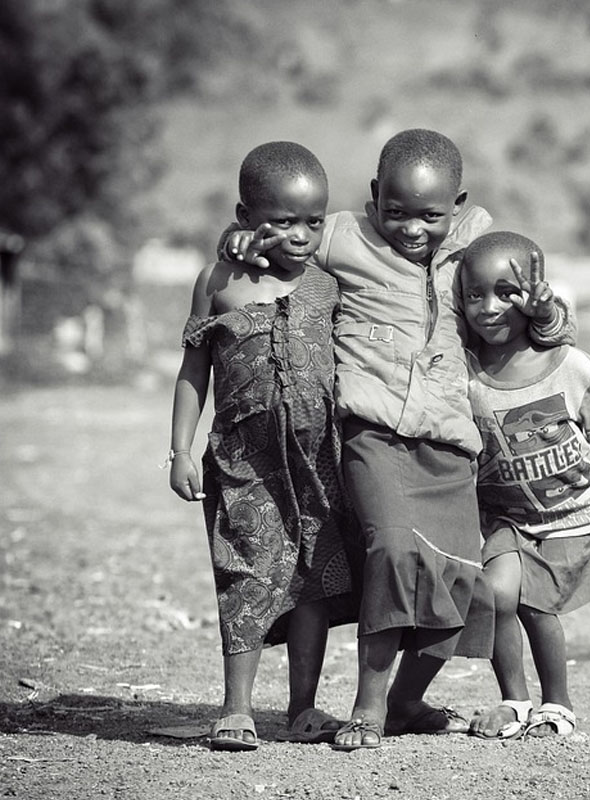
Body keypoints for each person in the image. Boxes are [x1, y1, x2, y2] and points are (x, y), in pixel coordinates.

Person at [220, 129, 577, 750]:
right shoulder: (340, 235)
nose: (412, 228)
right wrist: (237, 243)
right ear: (374, 196)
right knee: (390, 551)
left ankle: (407, 699)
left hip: (450, 443)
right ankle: (369, 707)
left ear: (458, 205)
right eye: (397, 211)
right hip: (373, 432)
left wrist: (546, 311)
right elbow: (281, 242)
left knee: (462, 584)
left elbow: (539, 322)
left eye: (431, 216)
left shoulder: (477, 245)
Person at [168, 141, 357, 751]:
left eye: (313, 222)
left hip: (319, 464)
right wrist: (178, 450)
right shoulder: (219, 281)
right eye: (281, 221)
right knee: (245, 572)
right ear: (245, 215)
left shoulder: (329, 287)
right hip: (242, 461)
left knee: (311, 581)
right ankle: (237, 708)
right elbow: (194, 370)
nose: (300, 236)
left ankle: (303, 709)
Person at [461, 231, 590, 740]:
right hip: (506, 516)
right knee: (496, 595)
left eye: (505, 293)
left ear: (533, 297)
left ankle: (558, 703)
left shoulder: (570, 367)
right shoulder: (464, 373)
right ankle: (514, 700)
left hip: (572, 515)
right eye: (473, 295)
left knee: (534, 603)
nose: (487, 308)